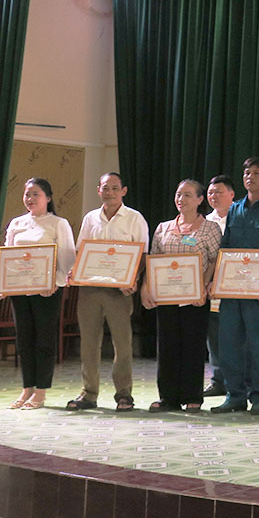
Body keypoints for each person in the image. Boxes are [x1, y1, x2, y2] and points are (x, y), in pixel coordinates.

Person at [68, 172, 150, 412]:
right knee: (89, 343)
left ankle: (124, 394)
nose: (110, 191)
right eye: (105, 187)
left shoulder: (134, 218)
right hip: (90, 289)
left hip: (119, 291)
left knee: (122, 344)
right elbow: (81, 251)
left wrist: (133, 278)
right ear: (98, 190)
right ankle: (89, 393)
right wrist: (75, 272)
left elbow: (142, 255)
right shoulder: (91, 218)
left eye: (115, 188)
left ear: (123, 191)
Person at [212, 158, 259, 415]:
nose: (250, 177)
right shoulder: (235, 209)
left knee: (257, 344)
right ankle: (235, 395)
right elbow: (226, 248)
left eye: (256, 173)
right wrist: (218, 280)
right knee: (229, 343)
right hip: (232, 289)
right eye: (246, 173)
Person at [143, 180, 222, 412]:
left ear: (200, 200)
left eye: (187, 195)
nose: (181, 199)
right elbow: (153, 260)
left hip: (194, 298)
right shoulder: (163, 228)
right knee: (167, 346)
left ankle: (192, 396)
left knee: (193, 347)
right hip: (166, 297)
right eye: (178, 194)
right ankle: (168, 397)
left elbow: (215, 259)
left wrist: (204, 286)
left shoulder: (210, 228)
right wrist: (147, 287)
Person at [2, 178, 75, 409]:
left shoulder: (58, 224)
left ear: (48, 198)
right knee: (23, 339)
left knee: (44, 340)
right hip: (20, 290)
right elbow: (8, 256)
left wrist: (56, 281)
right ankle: (27, 389)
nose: (30, 199)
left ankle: (41, 391)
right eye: (27, 194)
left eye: (36, 194)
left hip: (47, 291)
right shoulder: (16, 223)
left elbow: (66, 259)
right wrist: (5, 284)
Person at [203, 175, 235, 397]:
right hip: (212, 287)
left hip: (238, 286)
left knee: (239, 335)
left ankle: (241, 381)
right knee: (213, 336)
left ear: (232, 194)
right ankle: (218, 380)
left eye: (219, 192)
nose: (213, 196)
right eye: (210, 192)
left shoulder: (241, 217)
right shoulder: (204, 222)